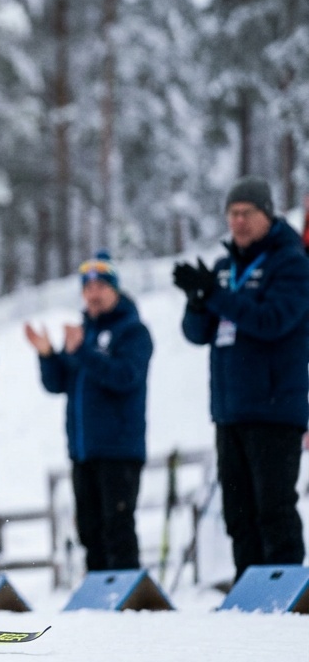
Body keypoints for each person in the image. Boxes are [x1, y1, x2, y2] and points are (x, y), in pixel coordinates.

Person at [173, 175, 309, 581]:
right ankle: (248, 596)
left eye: (247, 212)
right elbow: (197, 334)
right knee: (237, 512)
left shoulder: (291, 263)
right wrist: (198, 301)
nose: (238, 222)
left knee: (273, 508)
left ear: (267, 214)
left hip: (273, 408)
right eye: (232, 214)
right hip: (230, 411)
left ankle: (287, 596)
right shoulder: (223, 267)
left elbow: (272, 322)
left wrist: (216, 297)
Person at [25, 251, 153, 572]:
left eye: (100, 286)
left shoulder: (133, 331)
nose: (93, 294)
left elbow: (126, 377)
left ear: (115, 290)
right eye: (87, 288)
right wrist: (47, 354)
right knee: (89, 532)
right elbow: (57, 384)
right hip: (83, 451)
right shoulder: (82, 333)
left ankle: (129, 602)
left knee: (118, 528)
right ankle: (99, 603)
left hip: (119, 449)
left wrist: (82, 351)